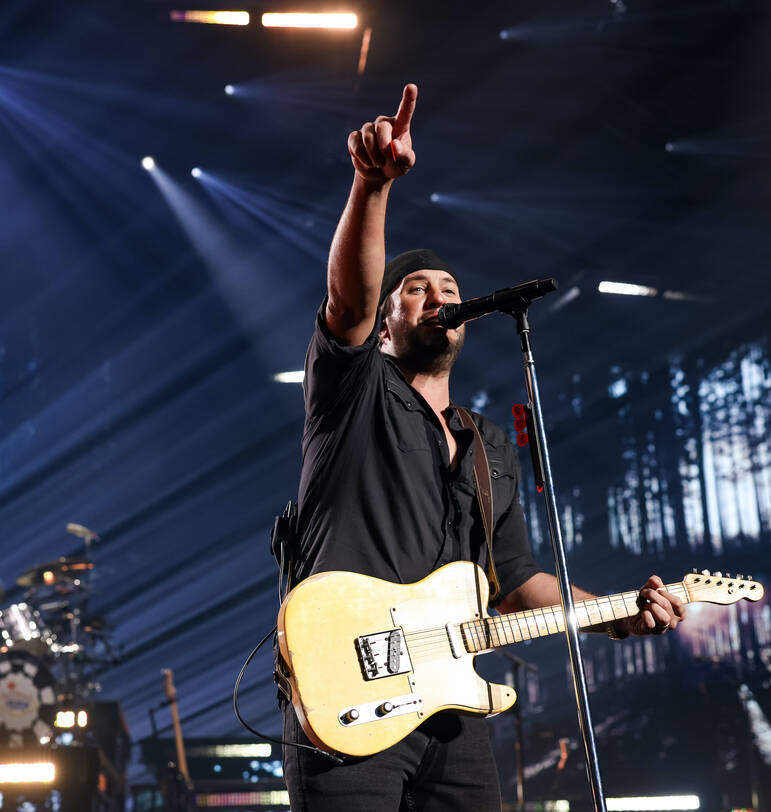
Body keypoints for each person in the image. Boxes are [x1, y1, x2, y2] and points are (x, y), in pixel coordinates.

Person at [281, 83, 689, 811]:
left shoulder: (487, 440)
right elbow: (346, 302)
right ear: (385, 323)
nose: (438, 294)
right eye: (414, 288)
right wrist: (372, 185)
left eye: (448, 285)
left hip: (452, 709)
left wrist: (618, 613)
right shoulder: (355, 390)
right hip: (350, 689)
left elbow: (519, 579)